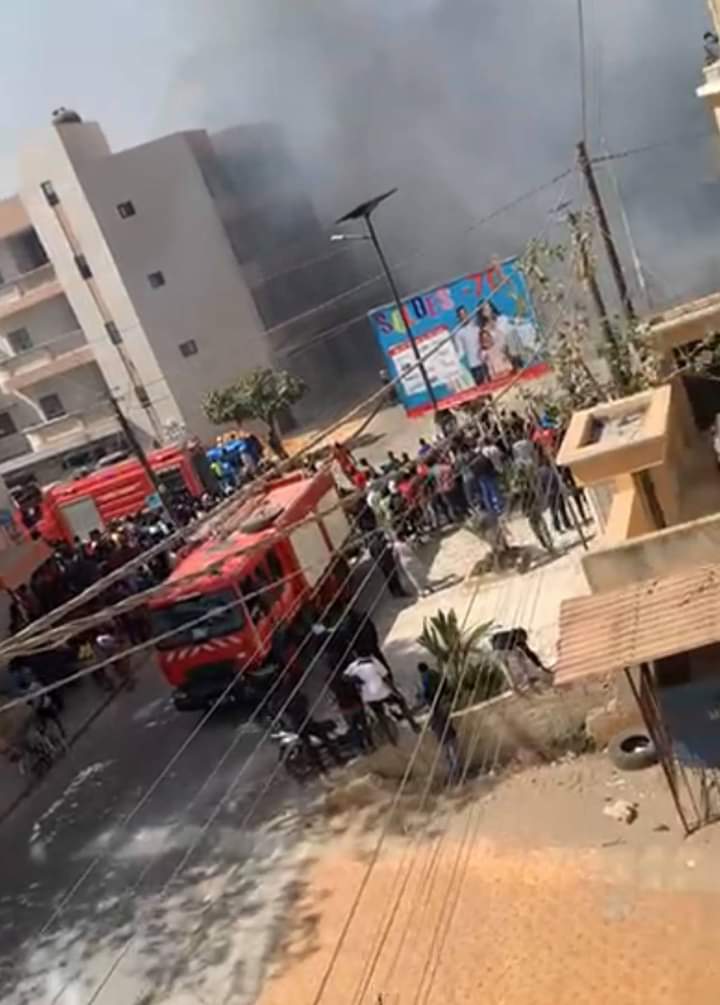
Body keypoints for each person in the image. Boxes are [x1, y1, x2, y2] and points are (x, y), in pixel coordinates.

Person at [344, 652, 419, 743]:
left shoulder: (352, 666)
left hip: (368, 697)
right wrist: (395, 691)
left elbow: (344, 677)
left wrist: (356, 679)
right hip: (382, 692)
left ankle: (390, 738)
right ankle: (414, 725)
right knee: (401, 702)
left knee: (380, 716)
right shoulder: (373, 661)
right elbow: (385, 677)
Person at [416, 661, 461, 778]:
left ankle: (455, 772)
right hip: (450, 736)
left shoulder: (425, 678)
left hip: (446, 739)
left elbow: (426, 693)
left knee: (449, 754)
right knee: (452, 753)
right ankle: (456, 772)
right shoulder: (434, 673)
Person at [455, 306, 487, 385]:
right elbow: (461, 352)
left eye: (464, 314)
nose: (463, 317)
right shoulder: (459, 333)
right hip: (473, 365)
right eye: (461, 315)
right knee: (481, 387)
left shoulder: (477, 326)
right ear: (458, 317)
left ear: (468, 313)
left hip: (485, 360)